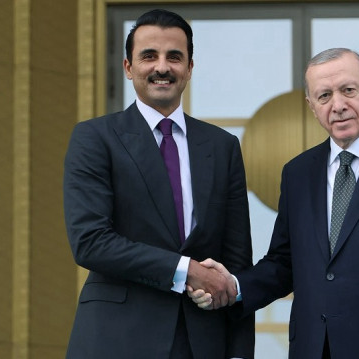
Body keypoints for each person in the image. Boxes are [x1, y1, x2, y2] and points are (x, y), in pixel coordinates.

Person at [189, 48, 359, 358]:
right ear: (311, 106)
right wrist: (235, 285)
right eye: (324, 96)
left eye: (348, 90)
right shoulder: (298, 172)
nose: (338, 105)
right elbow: (284, 263)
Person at [63, 9, 254, 359]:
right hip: (115, 340)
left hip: (203, 341)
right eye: (149, 56)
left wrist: (240, 353)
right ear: (128, 67)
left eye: (174, 57)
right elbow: (90, 242)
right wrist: (186, 271)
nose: (162, 67)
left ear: (189, 69)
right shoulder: (94, 138)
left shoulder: (222, 146)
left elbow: (236, 263)